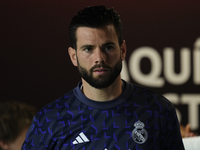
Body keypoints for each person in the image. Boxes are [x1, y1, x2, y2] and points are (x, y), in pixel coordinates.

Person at [21, 5, 185, 150]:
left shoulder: (158, 110)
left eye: (108, 47)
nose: (99, 57)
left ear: (122, 50)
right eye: (88, 49)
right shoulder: (48, 121)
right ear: (73, 56)